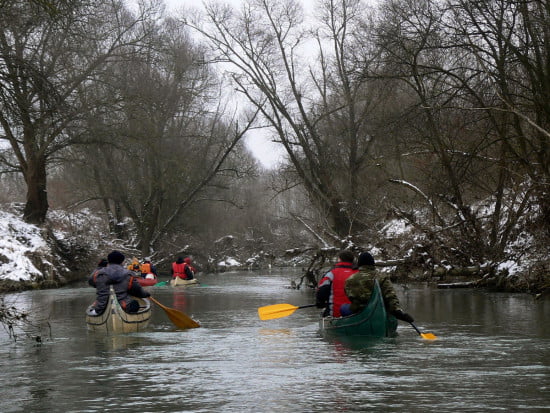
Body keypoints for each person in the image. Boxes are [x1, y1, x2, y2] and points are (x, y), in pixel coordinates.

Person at [343, 251, 414, 322]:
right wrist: (398, 312)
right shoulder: (382, 277)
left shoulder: (349, 280)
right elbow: (391, 296)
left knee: (343, 308)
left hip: (358, 312)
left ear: (359, 264)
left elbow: (350, 297)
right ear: (372, 264)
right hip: (380, 312)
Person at [88, 250, 150, 315]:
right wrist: (146, 294)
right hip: (124, 306)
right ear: (122, 261)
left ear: (108, 261)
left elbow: (91, 282)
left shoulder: (98, 274)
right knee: (135, 304)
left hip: (100, 308)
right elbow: (137, 291)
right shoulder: (129, 274)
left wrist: (99, 267)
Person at [315, 250, 358, 317]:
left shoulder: (331, 273)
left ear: (339, 259)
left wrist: (320, 303)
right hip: (356, 312)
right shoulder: (359, 273)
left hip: (335, 313)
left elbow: (322, 291)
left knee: (325, 312)